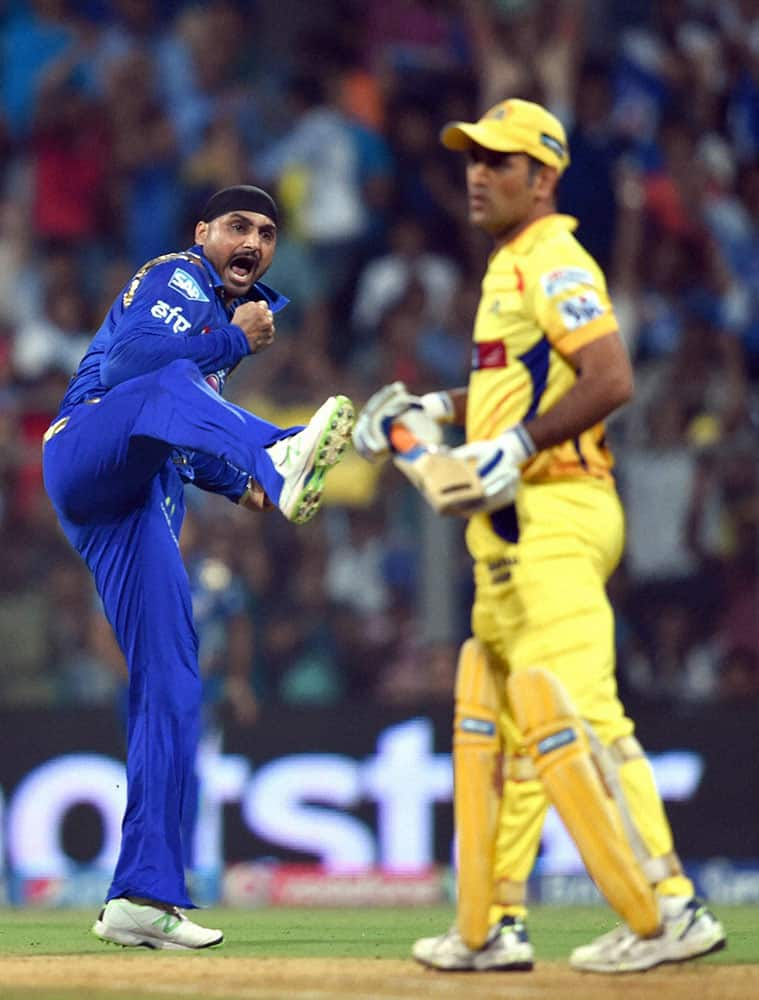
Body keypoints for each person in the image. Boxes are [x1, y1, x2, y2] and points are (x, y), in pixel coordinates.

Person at [352, 99, 726, 974]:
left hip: (554, 507)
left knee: (582, 715)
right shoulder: (511, 264)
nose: (477, 174)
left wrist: (516, 445)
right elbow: (506, 391)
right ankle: (493, 928)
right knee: (505, 728)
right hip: (513, 526)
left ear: (544, 177)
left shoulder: (554, 258)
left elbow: (610, 376)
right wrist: (427, 409)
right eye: (471, 159)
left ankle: (668, 907)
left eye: (499, 161)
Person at [42, 184, 354, 950]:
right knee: (173, 381)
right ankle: (280, 454)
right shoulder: (176, 274)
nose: (253, 242)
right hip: (84, 449)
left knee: (176, 686)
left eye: (268, 233)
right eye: (238, 227)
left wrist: (231, 484)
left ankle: (141, 897)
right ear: (203, 232)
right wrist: (235, 345)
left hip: (138, 508)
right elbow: (141, 367)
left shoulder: (221, 318)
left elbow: (176, 431)